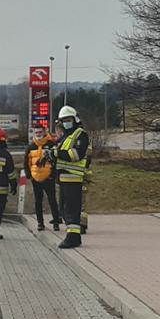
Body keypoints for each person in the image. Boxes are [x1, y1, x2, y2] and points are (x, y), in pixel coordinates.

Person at [52, 106, 91, 249]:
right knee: (64, 208)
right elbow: (59, 153)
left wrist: (56, 154)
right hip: (64, 178)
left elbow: (76, 155)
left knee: (71, 209)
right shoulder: (66, 136)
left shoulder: (80, 134)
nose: (66, 123)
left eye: (68, 120)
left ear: (75, 119)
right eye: (64, 121)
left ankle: (73, 238)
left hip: (74, 178)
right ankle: (72, 236)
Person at [28, 130, 59, 230]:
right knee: (38, 202)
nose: (38, 134)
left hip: (48, 178)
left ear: (44, 133)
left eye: (40, 132)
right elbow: (26, 162)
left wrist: (53, 175)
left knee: (52, 200)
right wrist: (30, 176)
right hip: (36, 178)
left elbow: (56, 161)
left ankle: (56, 222)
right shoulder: (31, 146)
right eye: (36, 132)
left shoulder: (51, 145)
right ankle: (40, 223)